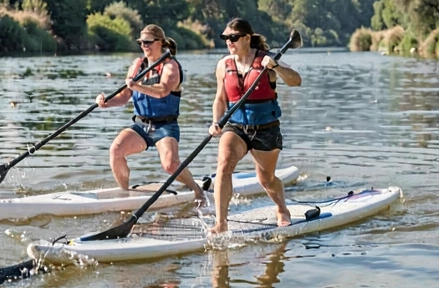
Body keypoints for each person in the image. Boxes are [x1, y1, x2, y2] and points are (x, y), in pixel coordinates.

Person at [208, 18, 301, 233]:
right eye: (225, 38)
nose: (229, 42)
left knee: (266, 179)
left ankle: (282, 210)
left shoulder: (267, 60)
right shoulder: (223, 65)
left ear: (247, 38)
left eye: (233, 37)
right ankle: (221, 223)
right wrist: (216, 122)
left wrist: (276, 66)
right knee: (223, 165)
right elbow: (220, 99)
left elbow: (296, 80)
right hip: (236, 127)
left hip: (265, 128)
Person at [97, 24, 206, 201]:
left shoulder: (171, 66)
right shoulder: (137, 65)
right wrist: (105, 103)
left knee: (170, 164)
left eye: (148, 42)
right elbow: (125, 96)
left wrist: (137, 85)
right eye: (141, 42)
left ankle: (197, 190)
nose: (144, 46)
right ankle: (125, 195)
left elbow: (163, 90)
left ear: (160, 42)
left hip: (165, 126)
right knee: (116, 150)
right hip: (141, 125)